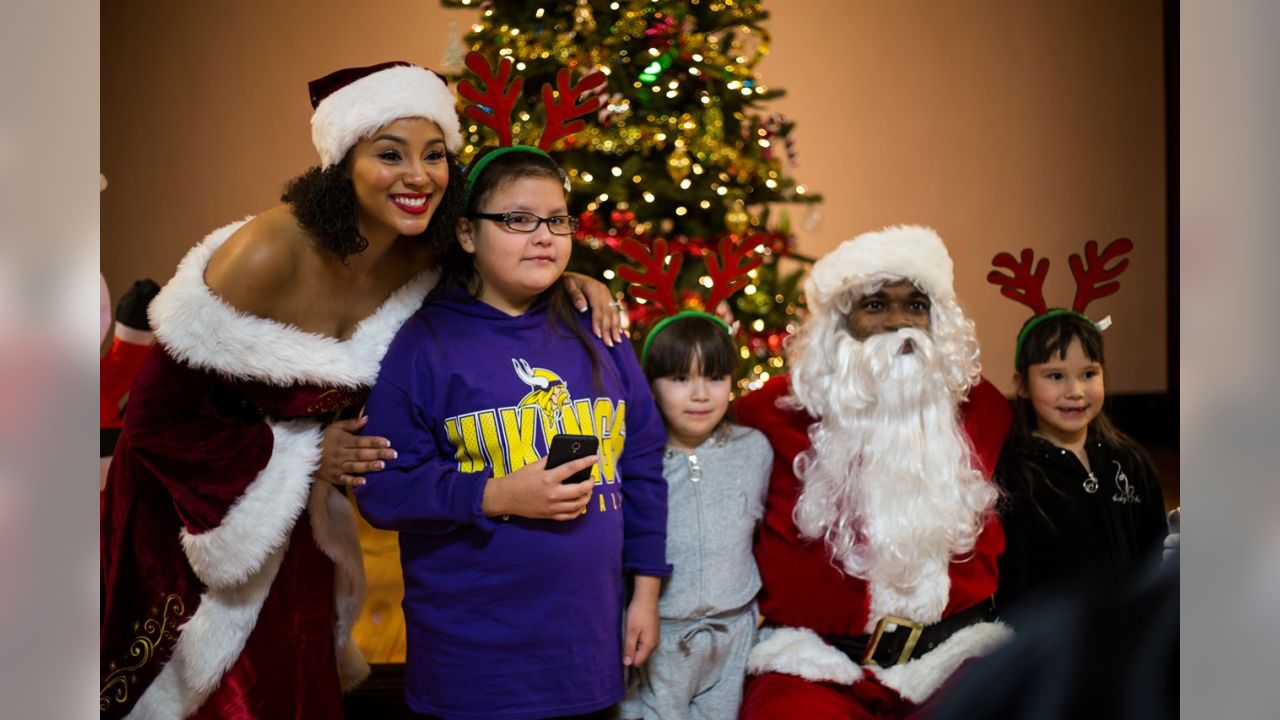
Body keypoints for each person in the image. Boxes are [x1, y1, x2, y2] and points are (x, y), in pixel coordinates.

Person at [99, 63, 619, 720]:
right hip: (188, 510)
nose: (418, 176)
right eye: (389, 154)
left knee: (292, 680)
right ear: (342, 163)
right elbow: (153, 422)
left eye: (434, 155)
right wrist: (307, 455)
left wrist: (581, 285)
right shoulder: (266, 255)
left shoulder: (429, 250)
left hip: (294, 519)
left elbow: (516, 253)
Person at [355, 145, 670, 720]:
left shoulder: (599, 330)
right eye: (518, 220)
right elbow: (383, 490)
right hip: (473, 666)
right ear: (468, 235)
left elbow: (645, 463)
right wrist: (495, 495)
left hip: (586, 657)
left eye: (557, 220)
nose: (544, 235)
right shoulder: (424, 345)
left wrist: (645, 594)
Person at [734, 225, 1013, 718]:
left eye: (916, 305)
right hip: (816, 663)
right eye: (876, 305)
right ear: (840, 325)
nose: (899, 323)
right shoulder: (770, 413)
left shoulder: (984, 409)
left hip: (952, 656)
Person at [617, 311, 772, 720]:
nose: (701, 395)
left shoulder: (754, 449)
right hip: (661, 636)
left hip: (733, 633)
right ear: (651, 384)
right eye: (681, 379)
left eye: (715, 378)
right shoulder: (637, 460)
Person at [994, 310, 1169, 619]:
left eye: (1089, 374)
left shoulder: (1129, 461)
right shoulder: (1014, 475)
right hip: (1060, 650)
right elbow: (1013, 592)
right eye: (1055, 376)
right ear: (1022, 385)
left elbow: (1153, 555)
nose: (1075, 392)